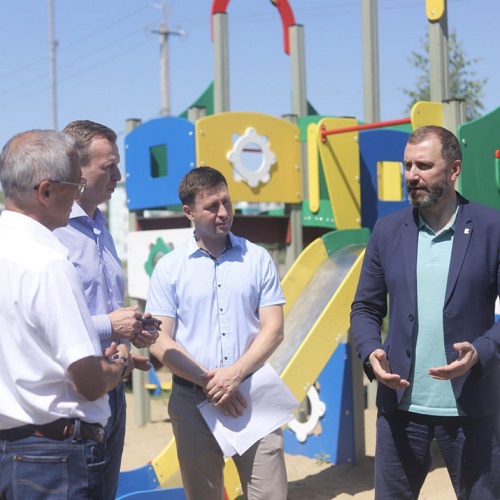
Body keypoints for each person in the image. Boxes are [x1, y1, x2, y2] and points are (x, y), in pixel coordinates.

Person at [351, 125, 500, 499]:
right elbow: (365, 307)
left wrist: (481, 351)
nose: (412, 175)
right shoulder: (387, 231)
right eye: (407, 165)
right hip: (399, 409)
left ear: (454, 170)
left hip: (472, 409)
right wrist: (371, 351)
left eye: (424, 165)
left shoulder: (492, 228)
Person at [0, 129, 132, 499]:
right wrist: (119, 365)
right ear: (45, 191)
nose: (77, 196)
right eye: (75, 186)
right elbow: (87, 381)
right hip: (55, 455)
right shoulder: (48, 261)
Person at [146, 166, 288, 499]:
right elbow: (159, 341)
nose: (223, 212)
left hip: (252, 394)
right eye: (212, 206)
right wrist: (211, 383)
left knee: (270, 494)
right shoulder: (169, 268)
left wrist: (235, 375)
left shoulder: (258, 259)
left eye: (226, 202)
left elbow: (274, 329)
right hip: (192, 400)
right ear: (189, 212)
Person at [54, 120, 158, 500]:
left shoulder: (102, 230)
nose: (118, 176)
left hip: (112, 390)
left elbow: (105, 311)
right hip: (72, 397)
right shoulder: (51, 233)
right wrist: (109, 326)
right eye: (109, 166)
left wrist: (132, 331)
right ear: (77, 170)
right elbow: (48, 322)